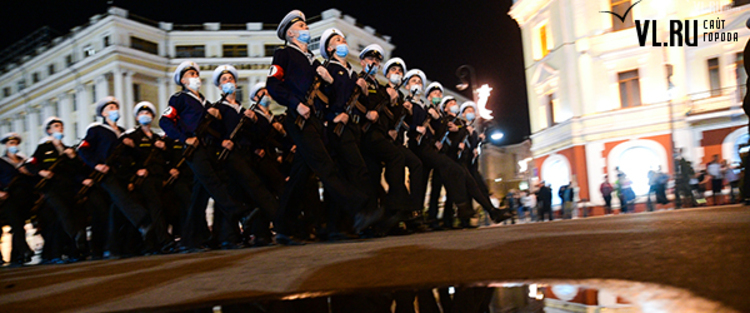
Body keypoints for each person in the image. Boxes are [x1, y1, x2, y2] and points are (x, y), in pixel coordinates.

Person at [266, 10, 375, 245]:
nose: (306, 30)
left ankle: (283, 227)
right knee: (326, 167)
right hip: (299, 119)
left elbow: (330, 94)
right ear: (291, 32)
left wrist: (329, 83)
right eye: (302, 26)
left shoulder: (312, 60)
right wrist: (295, 103)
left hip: (315, 121)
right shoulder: (284, 54)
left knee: (299, 177)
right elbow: (273, 85)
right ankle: (360, 209)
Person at [159, 61, 251, 252]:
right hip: (195, 149)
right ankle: (237, 211)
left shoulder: (205, 102)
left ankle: (189, 240)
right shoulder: (179, 98)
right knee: (213, 181)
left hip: (209, 149)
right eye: (191, 74)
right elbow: (165, 121)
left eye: (196, 74)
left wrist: (216, 118)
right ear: (183, 80)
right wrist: (185, 138)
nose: (195, 78)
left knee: (198, 199)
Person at [0, 133, 35, 266]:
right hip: (8, 197)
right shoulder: (2, 162)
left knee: (19, 224)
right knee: (17, 224)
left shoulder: (24, 161)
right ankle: (24, 249)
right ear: (6, 145)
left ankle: (16, 256)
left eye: (15, 143)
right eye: (10, 143)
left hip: (25, 197)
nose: (13, 146)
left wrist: (28, 173)